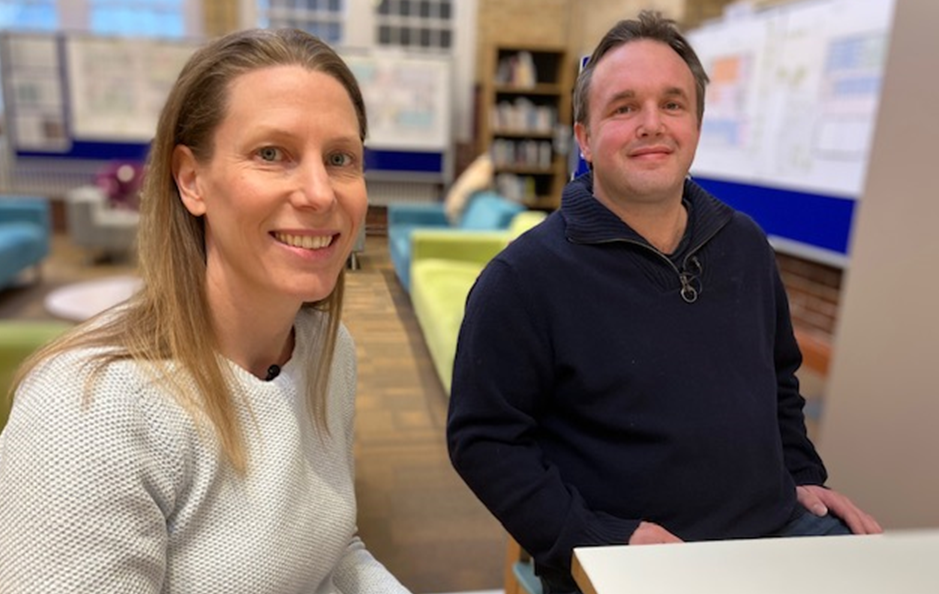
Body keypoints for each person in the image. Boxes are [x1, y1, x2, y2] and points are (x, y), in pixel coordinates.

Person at [447, 11, 881, 594]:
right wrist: (596, 536)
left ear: (696, 125)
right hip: (628, 556)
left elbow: (779, 380)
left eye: (673, 104)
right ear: (584, 137)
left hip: (779, 529)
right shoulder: (521, 280)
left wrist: (802, 475)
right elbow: (485, 441)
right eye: (624, 108)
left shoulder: (746, 246)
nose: (652, 124)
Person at [0, 28, 409, 593]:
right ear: (192, 180)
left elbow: (336, 549)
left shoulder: (330, 353)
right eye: (272, 154)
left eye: (340, 158)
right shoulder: (89, 410)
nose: (320, 193)